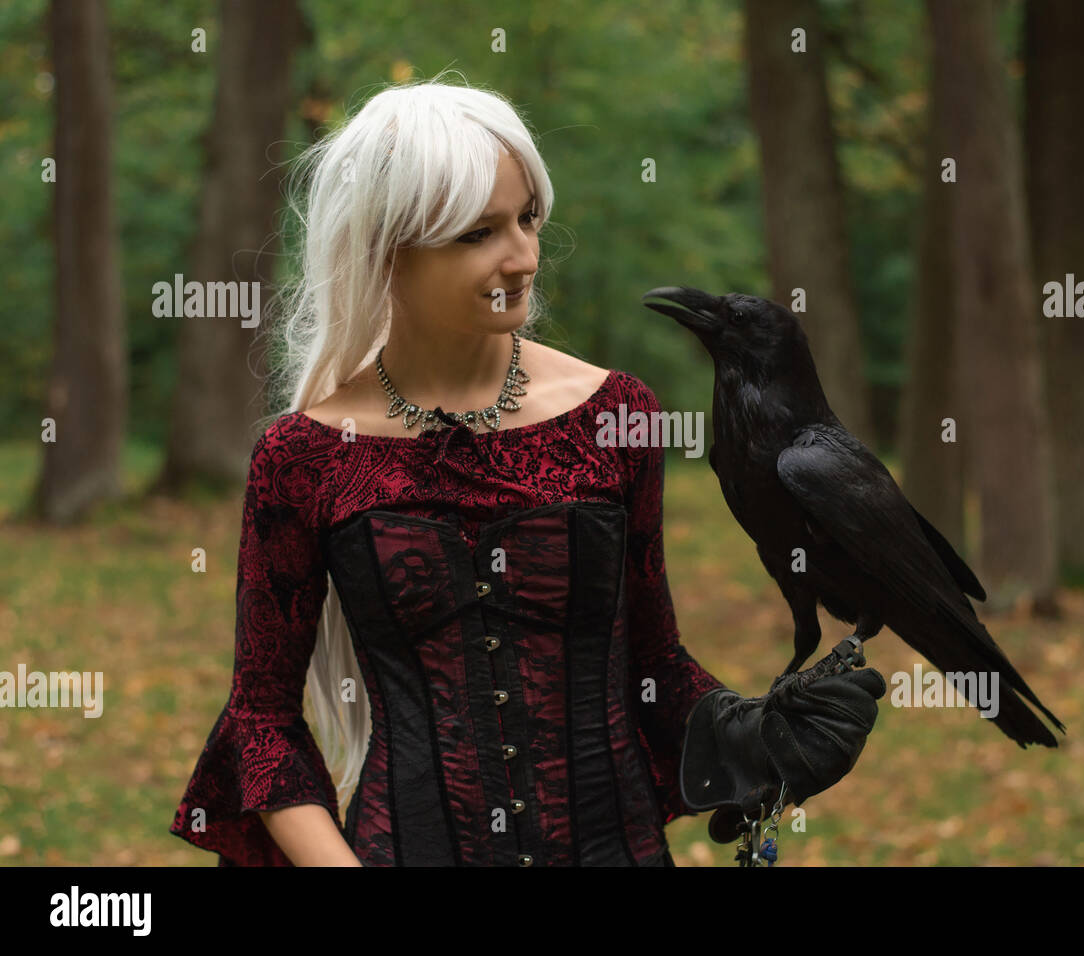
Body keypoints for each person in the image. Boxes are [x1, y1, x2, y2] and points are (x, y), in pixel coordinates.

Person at [167, 73, 885, 867]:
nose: (523, 255)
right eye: (478, 234)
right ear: (385, 251)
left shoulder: (615, 416)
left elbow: (649, 664)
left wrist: (756, 739)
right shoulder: (303, 458)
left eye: (528, 218)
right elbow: (261, 720)